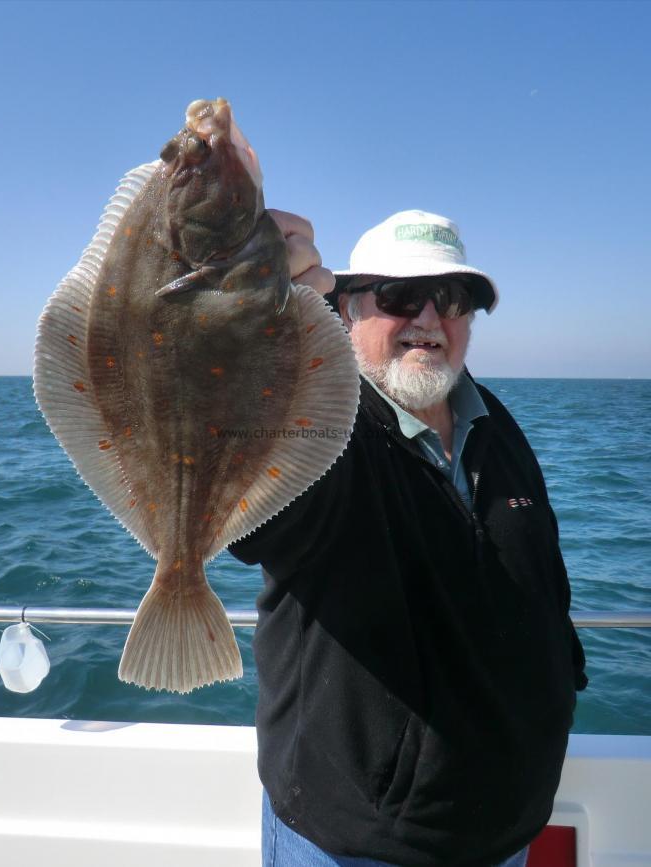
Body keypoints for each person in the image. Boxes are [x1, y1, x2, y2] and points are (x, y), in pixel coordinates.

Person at [229, 209, 588, 867]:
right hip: (358, 843)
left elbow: (543, 577)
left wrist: (561, 672)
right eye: (399, 296)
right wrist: (263, 330)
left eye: (450, 298)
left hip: (506, 830)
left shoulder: (496, 424)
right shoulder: (321, 428)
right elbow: (256, 511)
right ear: (345, 312)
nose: (428, 318)